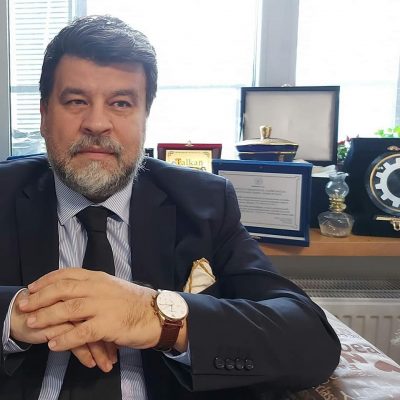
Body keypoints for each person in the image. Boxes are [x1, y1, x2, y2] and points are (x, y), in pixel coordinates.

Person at [0, 15, 340, 400]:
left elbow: (310, 341)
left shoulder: (205, 203)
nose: (96, 123)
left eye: (121, 103)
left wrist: (154, 316)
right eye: (76, 101)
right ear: (44, 115)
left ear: (144, 117)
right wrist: (17, 313)